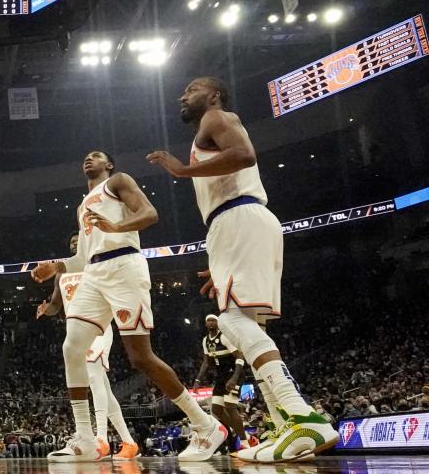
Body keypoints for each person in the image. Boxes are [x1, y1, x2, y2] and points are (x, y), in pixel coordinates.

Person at [147, 76, 339, 462]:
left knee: (231, 322)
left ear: (214, 95)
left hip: (237, 219)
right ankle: (288, 425)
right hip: (241, 222)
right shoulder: (210, 126)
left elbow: (245, 154)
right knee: (247, 325)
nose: (183, 95)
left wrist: (182, 171)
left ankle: (301, 414)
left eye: (192, 89)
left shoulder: (215, 118)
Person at [31, 150, 226, 462]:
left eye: (96, 156)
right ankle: (85, 438)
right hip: (93, 273)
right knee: (72, 347)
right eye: (85, 156)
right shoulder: (82, 206)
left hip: (124, 266)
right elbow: (82, 257)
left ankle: (205, 425)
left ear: (109, 165)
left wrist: (115, 227)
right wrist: (54, 267)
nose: (88, 159)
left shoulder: (118, 182)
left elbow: (149, 214)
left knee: (140, 358)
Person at [36, 233, 140, 460]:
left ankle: (99, 439)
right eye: (71, 242)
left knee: (93, 376)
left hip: (98, 327)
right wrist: (46, 310)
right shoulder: (61, 272)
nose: (75, 244)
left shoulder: (95, 265)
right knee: (102, 385)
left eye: (78, 241)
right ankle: (129, 443)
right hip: (75, 331)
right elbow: (56, 305)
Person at [193, 314, 256, 449]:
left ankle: (245, 442)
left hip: (234, 374)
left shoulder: (224, 336)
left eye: (213, 321)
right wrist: (198, 379)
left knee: (230, 407)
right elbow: (206, 362)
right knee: (216, 410)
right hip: (221, 377)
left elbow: (240, 356)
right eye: (208, 321)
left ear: (218, 323)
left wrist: (234, 377)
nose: (210, 323)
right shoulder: (205, 341)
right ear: (205, 324)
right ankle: (242, 432)